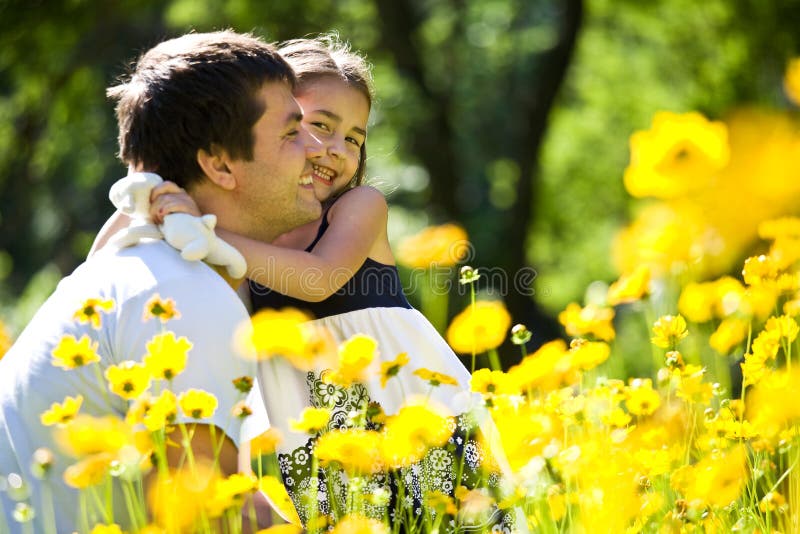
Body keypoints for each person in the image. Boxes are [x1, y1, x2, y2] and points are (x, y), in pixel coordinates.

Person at [139, 36, 524, 532]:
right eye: (320, 126)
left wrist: (207, 235)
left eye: (355, 138)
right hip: (322, 440)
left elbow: (318, 280)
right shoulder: (255, 229)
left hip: (414, 415)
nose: (338, 150)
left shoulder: (359, 207)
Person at [0, 30, 324, 532]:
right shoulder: (180, 296)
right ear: (218, 164)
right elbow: (200, 519)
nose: (315, 149)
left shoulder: (137, 269)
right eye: (290, 133)